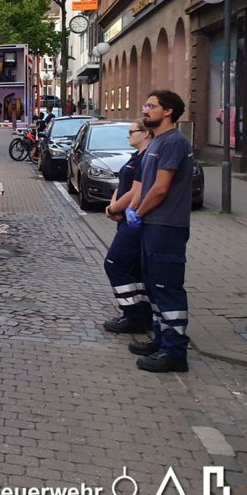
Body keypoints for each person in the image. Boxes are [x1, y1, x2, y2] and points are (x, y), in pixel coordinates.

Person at [127, 90, 195, 373]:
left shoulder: (174, 142)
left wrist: (138, 212)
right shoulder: (158, 141)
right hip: (154, 225)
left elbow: (161, 187)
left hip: (166, 225)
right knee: (155, 286)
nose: (145, 110)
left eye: (150, 106)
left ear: (167, 111)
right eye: (145, 105)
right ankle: (162, 339)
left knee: (167, 287)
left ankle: (175, 352)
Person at [101, 120, 154, 335]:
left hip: (134, 222)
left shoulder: (147, 159)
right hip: (125, 218)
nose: (128, 136)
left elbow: (136, 192)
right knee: (134, 270)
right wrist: (113, 206)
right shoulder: (136, 157)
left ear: (146, 134)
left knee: (115, 264)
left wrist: (115, 208)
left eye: (132, 132)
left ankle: (133, 313)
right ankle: (141, 313)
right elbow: (122, 185)